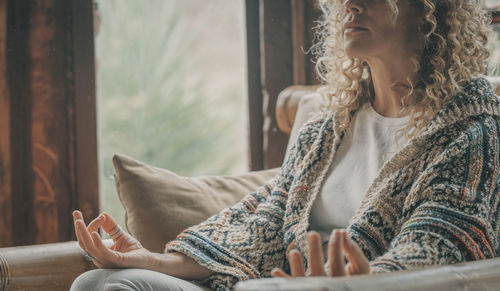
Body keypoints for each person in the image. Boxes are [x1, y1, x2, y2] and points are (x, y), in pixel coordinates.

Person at [71, 0, 500, 290]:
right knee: (96, 283)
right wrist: (153, 261)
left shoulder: (470, 131)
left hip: (358, 286)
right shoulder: (326, 128)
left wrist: (353, 282)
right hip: (280, 284)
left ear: (428, 11)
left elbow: (438, 245)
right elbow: (267, 223)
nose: (349, 3)